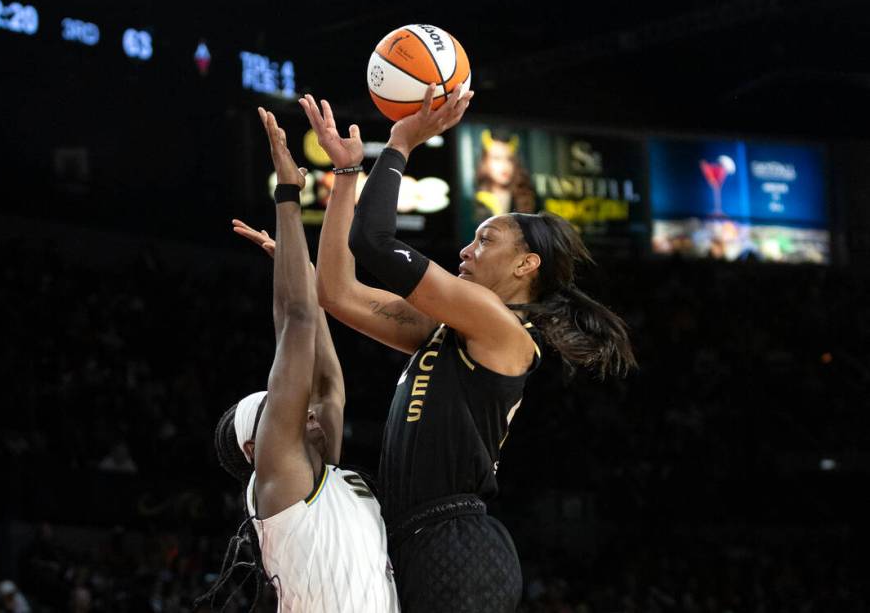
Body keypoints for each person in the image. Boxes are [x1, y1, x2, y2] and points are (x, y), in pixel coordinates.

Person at [301, 85, 635, 612]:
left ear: (527, 266)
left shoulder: (500, 326)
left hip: (454, 542)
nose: (465, 249)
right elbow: (336, 293)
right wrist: (345, 176)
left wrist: (401, 142)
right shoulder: (450, 329)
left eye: (485, 240)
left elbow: (375, 244)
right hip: (412, 537)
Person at [202, 107, 398, 612]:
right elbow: (297, 324)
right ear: (257, 448)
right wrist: (288, 196)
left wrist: (304, 272)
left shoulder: (323, 472)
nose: (304, 409)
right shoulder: (282, 486)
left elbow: (328, 384)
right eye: (283, 410)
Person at [474, 129, 537, 224]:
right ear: (485, 162)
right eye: (497, 158)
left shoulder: (527, 198)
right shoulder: (474, 200)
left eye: (509, 159)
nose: (504, 166)